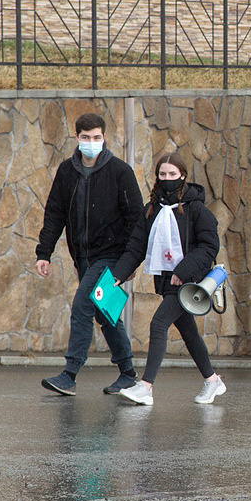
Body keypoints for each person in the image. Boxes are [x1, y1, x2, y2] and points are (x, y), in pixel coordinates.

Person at [35, 113, 145, 396]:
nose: (91, 143)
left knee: (83, 305)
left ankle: (69, 374)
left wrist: (128, 264)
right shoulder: (66, 171)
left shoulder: (121, 172)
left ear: (104, 138)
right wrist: (44, 252)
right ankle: (129, 374)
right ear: (77, 138)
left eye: (96, 137)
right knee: (105, 313)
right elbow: (54, 214)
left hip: (111, 257)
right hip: (83, 257)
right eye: (86, 138)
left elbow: (137, 222)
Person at [110, 153, 223, 405]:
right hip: (166, 282)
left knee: (158, 323)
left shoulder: (197, 209)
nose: (167, 179)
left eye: (172, 174)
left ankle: (146, 387)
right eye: (163, 174)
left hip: (188, 281)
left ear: (182, 175)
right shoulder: (151, 209)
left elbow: (209, 246)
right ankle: (213, 380)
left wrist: (183, 270)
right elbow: (136, 247)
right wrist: (118, 275)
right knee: (189, 333)